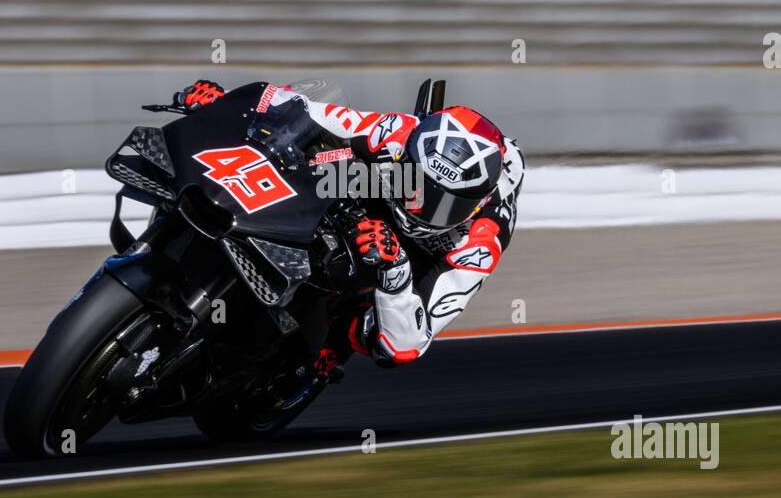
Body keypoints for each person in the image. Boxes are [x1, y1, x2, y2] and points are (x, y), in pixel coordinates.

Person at [174, 79, 524, 370]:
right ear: (407, 154)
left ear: (477, 204)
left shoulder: (483, 238)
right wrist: (226, 103)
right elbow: (301, 107)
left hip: (413, 257)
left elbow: (410, 344)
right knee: (316, 156)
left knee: (378, 340)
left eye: (443, 203)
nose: (420, 205)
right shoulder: (397, 132)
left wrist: (395, 270)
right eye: (415, 184)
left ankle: (321, 354)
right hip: (374, 192)